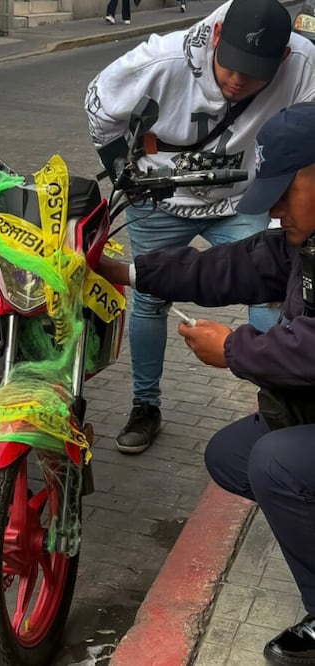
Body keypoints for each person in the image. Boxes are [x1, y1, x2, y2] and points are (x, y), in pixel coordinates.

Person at [94, 101, 315, 666]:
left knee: (276, 463)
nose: (276, 214)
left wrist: (233, 349)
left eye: (284, 195)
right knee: (233, 455)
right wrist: (130, 271)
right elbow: (227, 267)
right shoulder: (299, 244)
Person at [84, 0, 315, 454]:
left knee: (274, 290)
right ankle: (144, 405)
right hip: (160, 198)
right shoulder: (161, 59)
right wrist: (126, 176)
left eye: (254, 73)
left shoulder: (305, 64)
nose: (237, 80)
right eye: (230, 66)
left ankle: (280, 405)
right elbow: (98, 107)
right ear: (215, 37)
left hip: (244, 197)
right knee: (150, 300)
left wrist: (233, 350)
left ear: (283, 59)